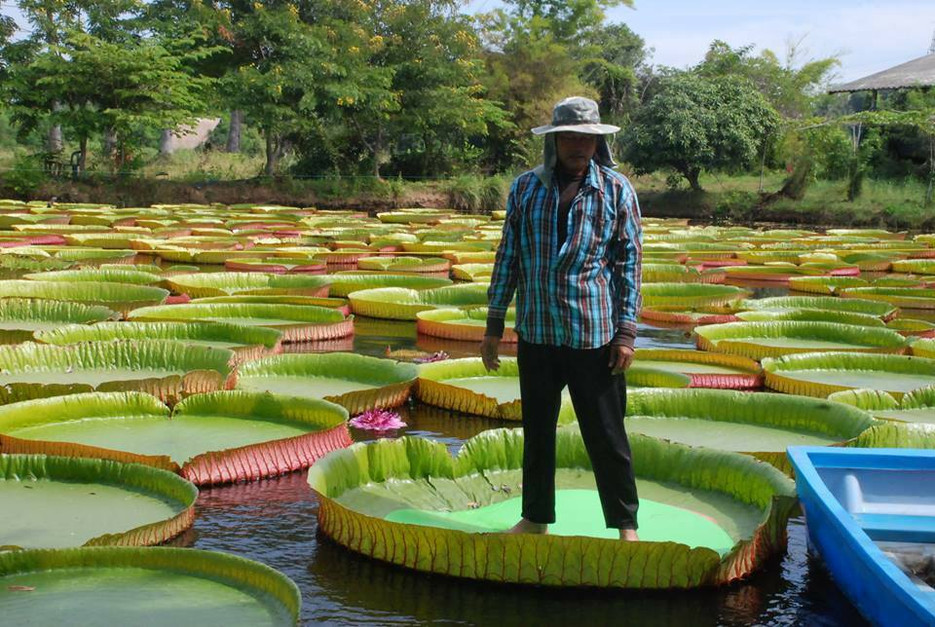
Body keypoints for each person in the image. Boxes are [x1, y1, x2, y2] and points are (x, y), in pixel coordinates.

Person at [480, 96, 642, 541]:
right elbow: (508, 254)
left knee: (607, 436)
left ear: (597, 142)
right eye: (569, 136)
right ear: (554, 141)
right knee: (538, 432)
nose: (578, 145)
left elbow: (629, 264)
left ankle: (626, 526)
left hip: (594, 334)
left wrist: (626, 332)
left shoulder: (615, 190)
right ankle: (535, 519)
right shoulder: (525, 188)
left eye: (587, 137)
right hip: (537, 331)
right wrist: (494, 326)